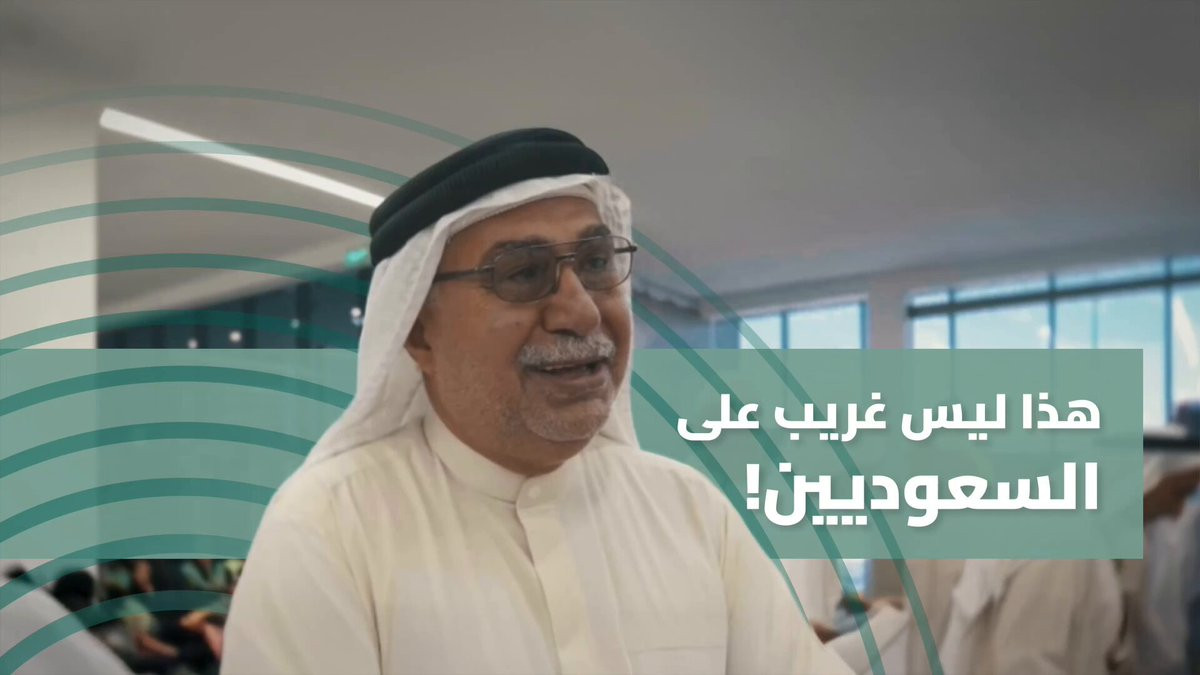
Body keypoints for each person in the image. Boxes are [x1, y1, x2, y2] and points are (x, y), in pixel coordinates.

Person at [222, 128, 849, 674]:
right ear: (418, 333)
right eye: (522, 274)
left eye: (597, 263)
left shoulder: (689, 510)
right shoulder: (329, 528)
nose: (581, 310)